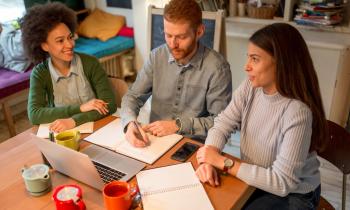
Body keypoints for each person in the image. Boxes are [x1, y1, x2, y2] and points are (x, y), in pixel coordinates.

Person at [195, 23, 328, 210]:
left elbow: (282, 183)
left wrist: (222, 162)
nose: (246, 66)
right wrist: (209, 158)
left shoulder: (297, 112)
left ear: (281, 62)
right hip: (258, 180)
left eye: (255, 59)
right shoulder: (251, 87)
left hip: (293, 194)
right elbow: (223, 123)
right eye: (248, 57)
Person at [121, 0, 232, 147]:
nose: (173, 44)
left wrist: (179, 125)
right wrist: (130, 123)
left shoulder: (218, 69)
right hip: (155, 141)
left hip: (194, 146)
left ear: (199, 32)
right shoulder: (156, 56)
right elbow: (133, 96)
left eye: (181, 37)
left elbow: (221, 122)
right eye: (168, 35)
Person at [21, 2, 116, 133]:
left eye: (70, 37)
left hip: (97, 129)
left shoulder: (90, 63)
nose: (69, 44)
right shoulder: (40, 73)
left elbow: (110, 105)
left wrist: (73, 121)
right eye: (60, 41)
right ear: (44, 46)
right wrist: (81, 108)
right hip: (63, 133)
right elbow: (35, 115)